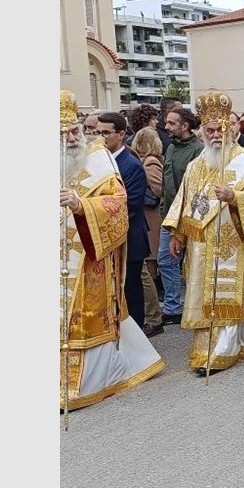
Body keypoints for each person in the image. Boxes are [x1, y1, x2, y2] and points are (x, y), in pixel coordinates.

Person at [59, 91, 164, 410]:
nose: (70, 137)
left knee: (85, 316)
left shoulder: (97, 159)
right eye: (61, 133)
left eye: (73, 130)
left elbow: (118, 204)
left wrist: (81, 205)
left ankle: (88, 379)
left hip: (91, 256)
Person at [162, 91, 244, 372]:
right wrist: (177, 235)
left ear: (232, 129)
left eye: (220, 129)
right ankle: (208, 346)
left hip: (232, 242)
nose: (215, 135)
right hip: (201, 245)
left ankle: (225, 349)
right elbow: (185, 201)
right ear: (202, 132)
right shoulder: (196, 165)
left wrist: (235, 197)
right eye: (210, 130)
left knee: (227, 294)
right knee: (205, 294)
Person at [98, 112, 149, 330]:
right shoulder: (101, 161)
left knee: (130, 288)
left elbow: (132, 205)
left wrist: (98, 219)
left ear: (121, 134)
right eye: (97, 132)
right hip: (107, 236)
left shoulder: (130, 165)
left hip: (129, 237)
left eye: (105, 133)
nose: (100, 138)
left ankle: (137, 334)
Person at [157, 107, 203, 326]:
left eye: (172, 123)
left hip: (189, 216)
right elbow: (168, 183)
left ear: (185, 126)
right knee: (166, 261)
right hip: (169, 217)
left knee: (193, 262)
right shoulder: (171, 148)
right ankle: (173, 307)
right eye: (167, 122)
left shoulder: (198, 150)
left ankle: (197, 304)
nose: (167, 127)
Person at [131, 128, 166, 337]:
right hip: (148, 218)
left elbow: (158, 188)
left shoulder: (150, 162)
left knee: (147, 272)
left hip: (150, 218)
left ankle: (154, 317)